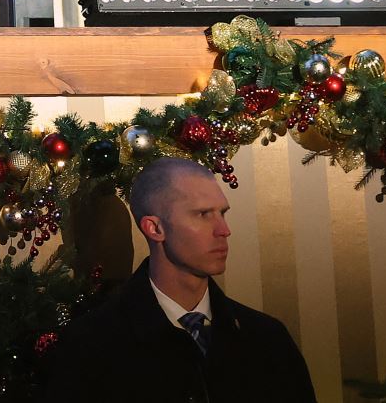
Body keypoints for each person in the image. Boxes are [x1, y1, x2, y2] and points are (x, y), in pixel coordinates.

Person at [34, 158, 315, 402]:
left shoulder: (267, 339)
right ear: (155, 227)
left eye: (223, 213)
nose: (224, 230)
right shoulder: (91, 345)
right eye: (203, 214)